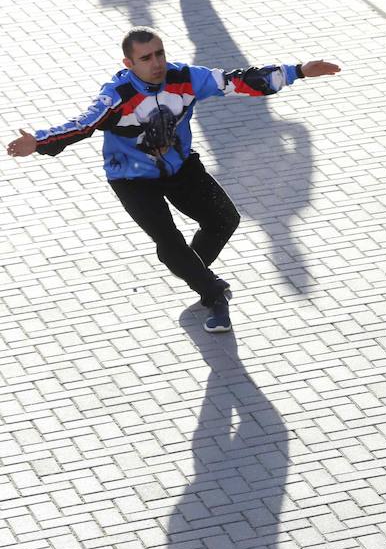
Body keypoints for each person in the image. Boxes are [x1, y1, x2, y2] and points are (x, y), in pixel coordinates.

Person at [6, 28, 340, 333]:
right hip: (132, 178)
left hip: (180, 168)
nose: (156, 63)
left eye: (160, 54)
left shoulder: (185, 78)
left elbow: (237, 81)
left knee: (224, 219)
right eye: (146, 58)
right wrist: (39, 141)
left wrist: (298, 71)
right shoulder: (118, 95)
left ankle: (188, 266)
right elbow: (83, 125)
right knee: (170, 240)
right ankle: (212, 292)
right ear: (129, 62)